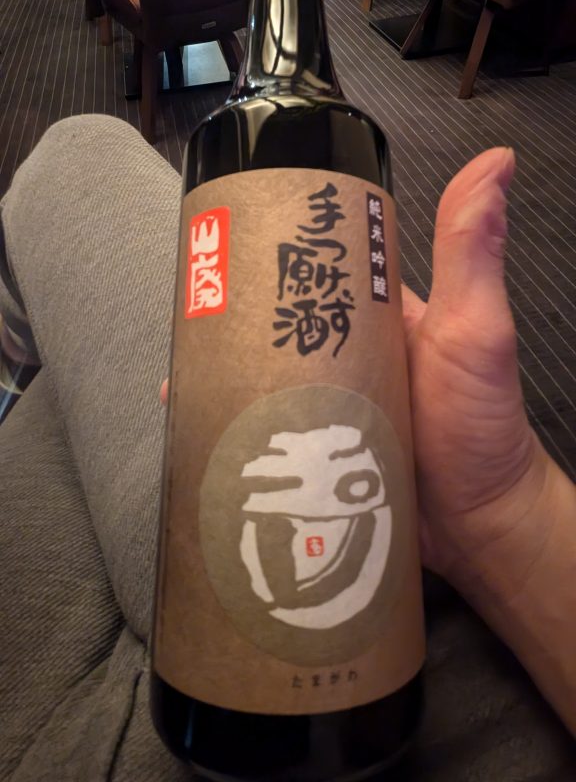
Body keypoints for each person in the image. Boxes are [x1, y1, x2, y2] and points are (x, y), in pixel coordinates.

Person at [0, 115, 574, 781]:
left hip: (252, 676)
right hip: (432, 631)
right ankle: (27, 361)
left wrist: (501, 504)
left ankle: (20, 357)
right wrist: (506, 509)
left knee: (77, 149)